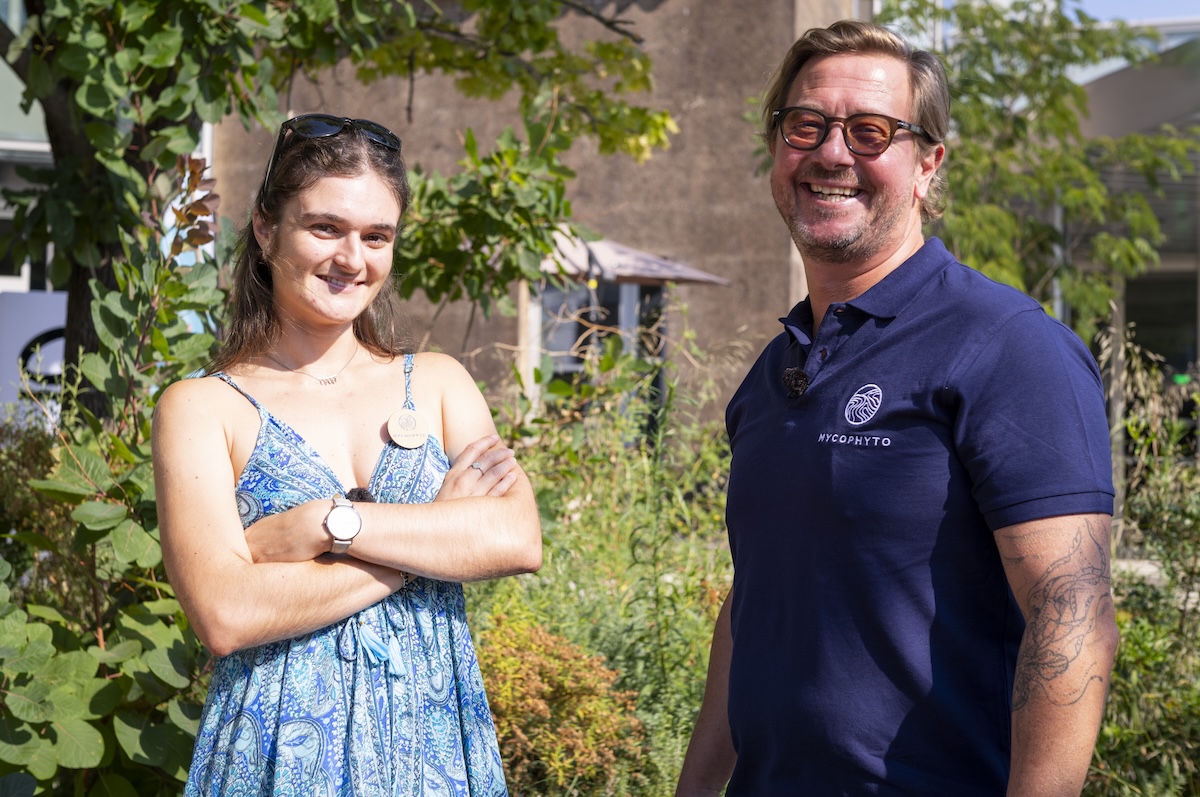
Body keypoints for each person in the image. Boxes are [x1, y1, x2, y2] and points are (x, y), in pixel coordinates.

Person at [675, 20, 1118, 796]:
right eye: (805, 124)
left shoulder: (1007, 347)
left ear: (927, 165)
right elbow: (753, 604)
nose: (832, 153)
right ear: (778, 147)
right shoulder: (775, 371)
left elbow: (1070, 609)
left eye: (870, 131)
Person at [152, 113, 542, 796]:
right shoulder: (200, 408)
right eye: (325, 228)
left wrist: (333, 524)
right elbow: (226, 614)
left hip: (434, 751)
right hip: (276, 754)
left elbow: (515, 536)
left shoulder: (440, 383)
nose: (352, 258)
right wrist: (426, 542)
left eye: (376, 236)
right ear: (267, 228)